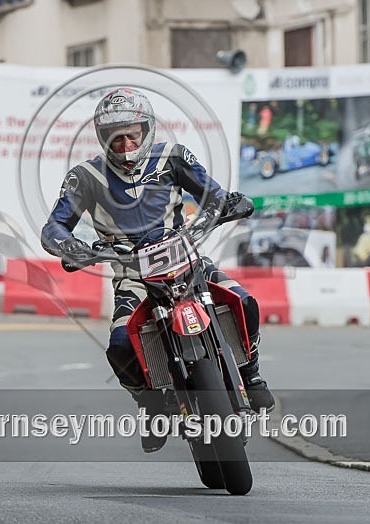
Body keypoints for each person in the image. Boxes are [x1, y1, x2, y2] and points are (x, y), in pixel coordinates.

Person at [41, 88, 274, 452]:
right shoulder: (84, 176)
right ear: (103, 138)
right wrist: (72, 248)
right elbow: (54, 227)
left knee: (244, 302)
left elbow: (212, 194)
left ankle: (251, 372)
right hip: (132, 276)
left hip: (187, 259)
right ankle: (150, 405)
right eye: (114, 135)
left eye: (131, 131)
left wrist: (228, 205)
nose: (125, 141)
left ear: (147, 128)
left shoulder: (173, 156)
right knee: (119, 345)